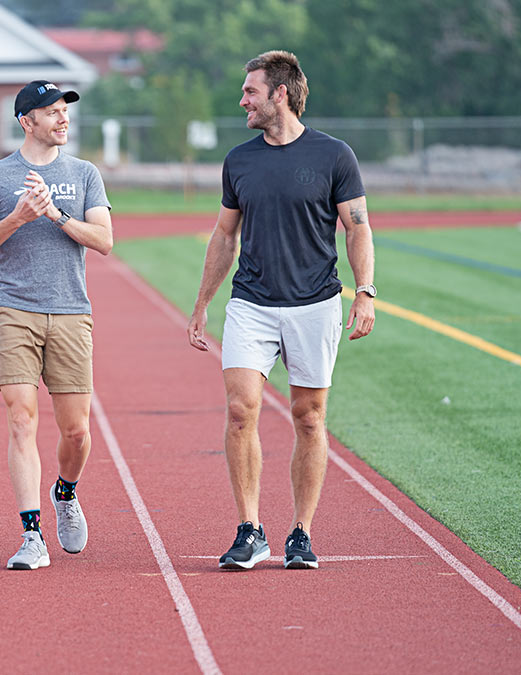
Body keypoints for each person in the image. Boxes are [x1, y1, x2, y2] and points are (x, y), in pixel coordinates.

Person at [186, 50, 376, 570]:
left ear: (280, 94)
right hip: (251, 303)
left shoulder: (334, 155)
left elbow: (357, 227)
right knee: (241, 408)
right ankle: (250, 530)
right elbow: (225, 235)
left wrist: (366, 291)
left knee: (309, 418)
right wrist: (202, 303)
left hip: (316, 304)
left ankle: (301, 533)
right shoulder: (239, 160)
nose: (242, 100)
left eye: (250, 91)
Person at [0, 80, 113, 570]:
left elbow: (104, 240)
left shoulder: (85, 173)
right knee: (21, 417)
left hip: (71, 310)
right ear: (26, 121)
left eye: (64, 111)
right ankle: (32, 536)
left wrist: (54, 213)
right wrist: (18, 218)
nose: (62, 119)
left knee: (76, 432)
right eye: (51, 112)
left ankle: (64, 492)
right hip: (13, 308)